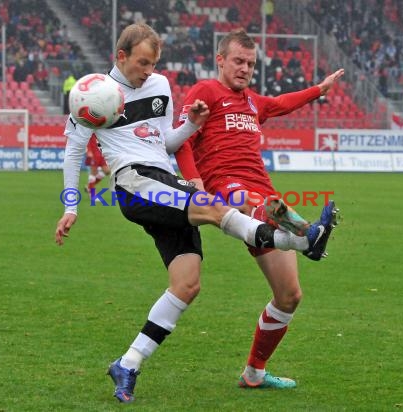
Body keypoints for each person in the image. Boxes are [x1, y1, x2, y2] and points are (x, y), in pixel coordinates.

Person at [54, 23, 334, 404]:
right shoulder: (96, 93)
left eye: (153, 63)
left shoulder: (160, 86)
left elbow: (164, 142)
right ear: (120, 57)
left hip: (161, 178)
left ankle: (129, 363)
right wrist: (71, 206)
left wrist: (191, 125)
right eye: (141, 62)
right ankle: (300, 240)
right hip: (136, 182)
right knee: (216, 208)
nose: (148, 70)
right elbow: (73, 151)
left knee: (187, 284)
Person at [175, 29, 343, 389]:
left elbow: (283, 103)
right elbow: (183, 141)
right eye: (238, 61)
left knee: (289, 295)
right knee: (255, 204)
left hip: (264, 189)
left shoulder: (252, 102)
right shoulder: (205, 91)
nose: (245, 68)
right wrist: (195, 183)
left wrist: (320, 90)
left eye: (250, 63)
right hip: (226, 188)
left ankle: (254, 373)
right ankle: (307, 234)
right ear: (220, 60)